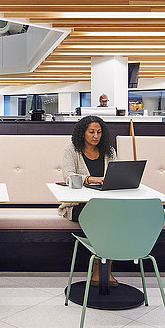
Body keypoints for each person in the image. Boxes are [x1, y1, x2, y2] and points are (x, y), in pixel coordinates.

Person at [59, 115, 118, 286]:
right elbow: (68, 176)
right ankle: (101, 270)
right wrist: (92, 179)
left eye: (99, 132)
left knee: (113, 215)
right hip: (79, 205)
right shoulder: (71, 150)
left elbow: (116, 174)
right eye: (91, 132)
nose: (96, 136)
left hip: (106, 203)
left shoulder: (109, 151)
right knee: (106, 218)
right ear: (82, 133)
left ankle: (103, 269)